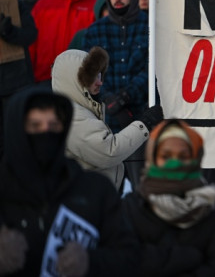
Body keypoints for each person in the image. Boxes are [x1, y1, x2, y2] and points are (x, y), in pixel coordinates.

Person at [0, 87, 140, 276]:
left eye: (53, 125)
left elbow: (130, 258)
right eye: (35, 126)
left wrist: (90, 261)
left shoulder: (94, 190)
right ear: (17, 131)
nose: (45, 133)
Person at [121, 119, 215, 276]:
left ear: (196, 159)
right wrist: (190, 257)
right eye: (166, 156)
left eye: (183, 156)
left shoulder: (214, 211)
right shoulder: (131, 208)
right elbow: (122, 261)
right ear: (152, 157)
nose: (175, 163)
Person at [51, 47, 163, 190]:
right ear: (74, 79)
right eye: (92, 76)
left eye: (99, 75)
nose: (100, 82)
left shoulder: (78, 109)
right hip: (87, 197)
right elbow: (108, 152)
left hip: (93, 194)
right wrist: (145, 124)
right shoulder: (72, 116)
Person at [82, 0, 150, 188]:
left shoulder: (150, 26)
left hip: (141, 116)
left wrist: (126, 96)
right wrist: (109, 99)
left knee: (142, 186)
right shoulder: (95, 31)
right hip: (106, 119)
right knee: (108, 187)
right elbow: (89, 72)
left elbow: (153, 68)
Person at [29, 0, 96, 84]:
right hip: (44, 77)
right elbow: (31, 42)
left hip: (81, 79)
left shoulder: (94, 5)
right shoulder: (43, 4)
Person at [0, 0, 37, 159]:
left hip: (16, 84)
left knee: (17, 141)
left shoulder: (15, 4)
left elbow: (31, 34)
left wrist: (9, 31)